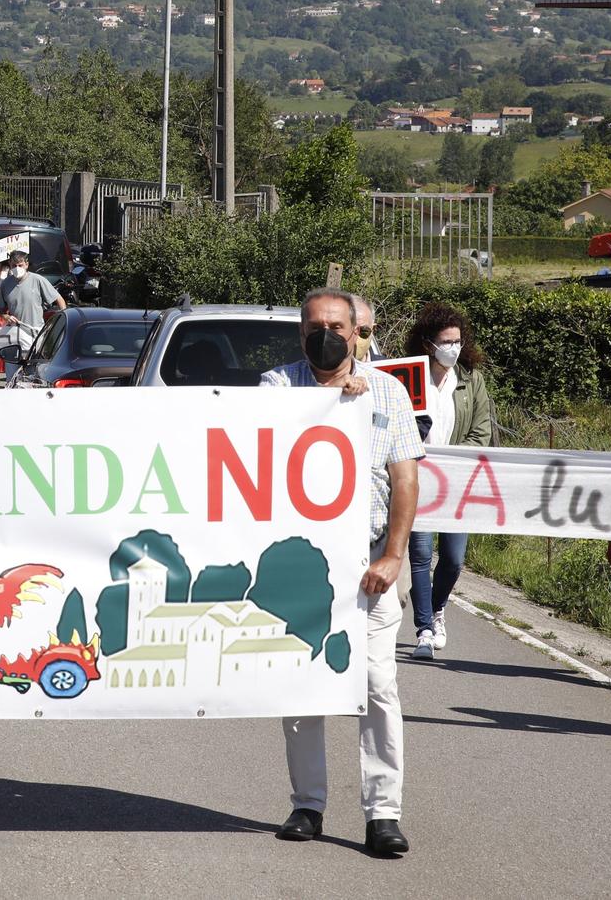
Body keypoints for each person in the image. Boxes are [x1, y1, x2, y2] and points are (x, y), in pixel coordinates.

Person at [261, 288, 422, 859]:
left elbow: (405, 480)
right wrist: (331, 406)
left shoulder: (388, 392)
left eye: (334, 325)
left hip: (370, 565)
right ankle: (308, 804)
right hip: (303, 569)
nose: (323, 335)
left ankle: (384, 813)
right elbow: (259, 450)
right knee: (302, 683)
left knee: (377, 686)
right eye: (312, 326)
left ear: (357, 333)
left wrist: (393, 555)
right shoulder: (275, 387)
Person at [402, 303, 494, 660]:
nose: (453, 348)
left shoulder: (471, 380)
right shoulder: (408, 378)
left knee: (454, 559)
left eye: (457, 340)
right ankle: (424, 628)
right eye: (446, 341)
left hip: (456, 482)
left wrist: (453, 461)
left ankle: (437, 607)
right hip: (418, 479)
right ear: (428, 343)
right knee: (421, 554)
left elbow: (481, 430)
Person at [0, 250, 63, 378]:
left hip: (36, 335)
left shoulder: (38, 280)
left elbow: (59, 300)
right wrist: (5, 316)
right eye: (14, 266)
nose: (17, 268)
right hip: (15, 335)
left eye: (20, 265)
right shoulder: (6, 284)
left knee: (35, 374)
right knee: (12, 375)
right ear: (10, 266)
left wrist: (61, 323)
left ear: (26, 265)